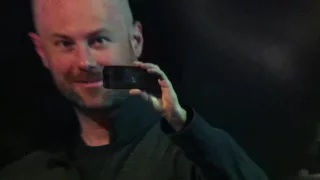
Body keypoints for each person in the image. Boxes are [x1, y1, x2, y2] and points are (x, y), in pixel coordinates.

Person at [0, 0, 268, 179]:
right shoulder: (25, 172)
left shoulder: (189, 158)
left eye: (98, 40)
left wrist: (183, 125)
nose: (84, 62)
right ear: (41, 51)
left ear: (136, 41)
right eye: (64, 44)